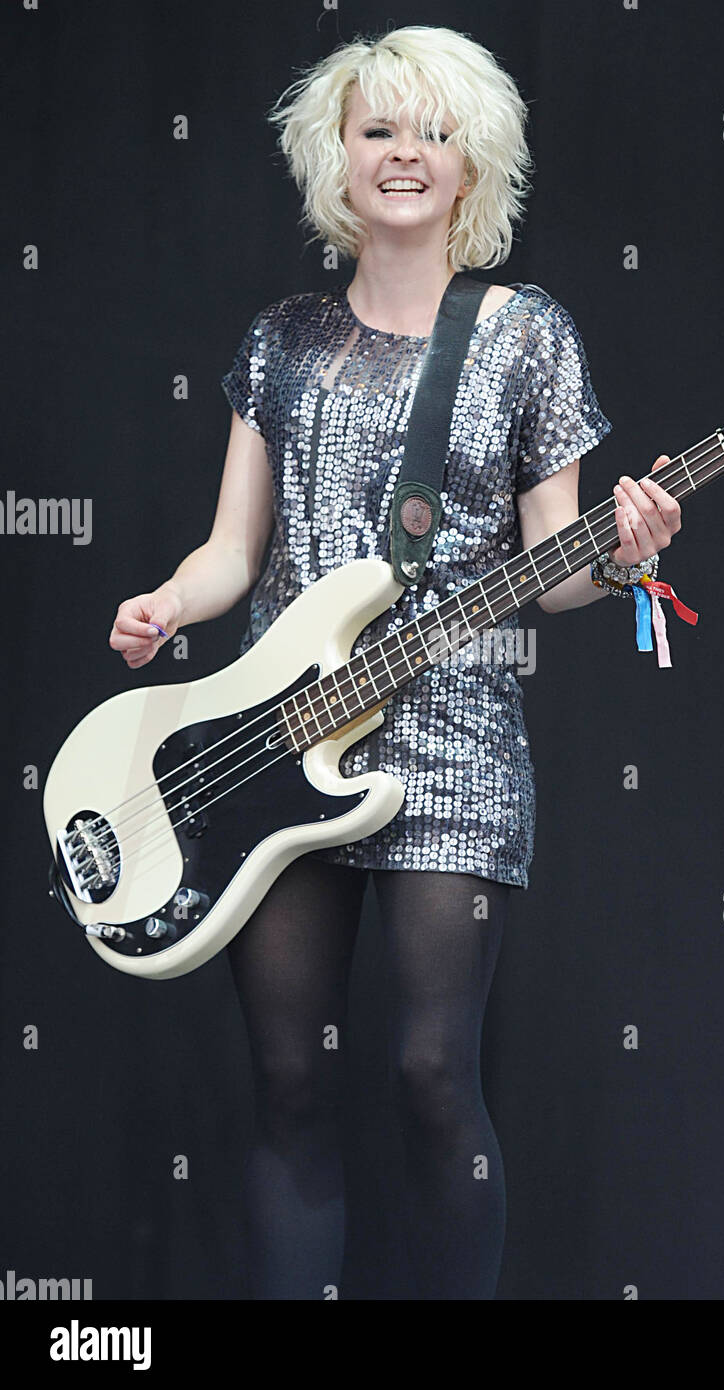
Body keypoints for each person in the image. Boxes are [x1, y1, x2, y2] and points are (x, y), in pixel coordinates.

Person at [108, 24, 681, 1300]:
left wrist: (630, 552)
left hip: (452, 745)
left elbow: (560, 562)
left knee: (430, 1073)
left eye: (433, 131)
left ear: (473, 164)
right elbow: (229, 552)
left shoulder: (524, 336)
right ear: (337, 159)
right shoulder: (283, 340)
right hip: (272, 740)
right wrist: (163, 603)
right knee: (292, 1077)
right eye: (378, 129)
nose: (405, 153)